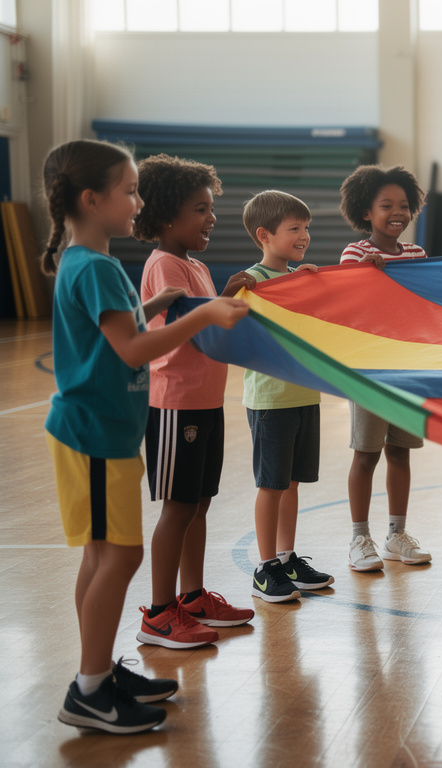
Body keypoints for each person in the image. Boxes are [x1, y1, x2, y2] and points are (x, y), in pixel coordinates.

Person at [42, 139, 247, 733]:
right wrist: (202, 314)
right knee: (121, 555)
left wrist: (157, 302)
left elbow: (117, 331)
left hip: (97, 433)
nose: (138, 203)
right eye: (129, 192)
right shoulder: (97, 267)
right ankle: (89, 690)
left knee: (100, 555)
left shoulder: (87, 263)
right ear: (91, 199)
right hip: (94, 435)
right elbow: (132, 349)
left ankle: (99, 672)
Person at [133, 154, 257, 650]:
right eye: (200, 210)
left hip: (205, 401)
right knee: (179, 506)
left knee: (199, 503)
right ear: (167, 216)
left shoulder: (195, 265)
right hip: (175, 403)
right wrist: (217, 308)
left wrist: (227, 293)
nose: (211, 218)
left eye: (211, 208)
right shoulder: (164, 264)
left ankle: (193, 596)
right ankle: (160, 613)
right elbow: (175, 330)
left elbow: (202, 318)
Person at [337, 165, 432, 572]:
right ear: (366, 212)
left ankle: (397, 534)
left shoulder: (416, 255)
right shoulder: (356, 254)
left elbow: (425, 304)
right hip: (369, 371)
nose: (397, 213)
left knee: (401, 453)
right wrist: (368, 275)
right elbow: (348, 301)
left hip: (407, 371)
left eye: (404, 206)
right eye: (386, 206)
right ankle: (359, 538)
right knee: (366, 455)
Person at [241, 190, 333, 601]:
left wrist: (309, 286)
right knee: (272, 484)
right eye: (294, 228)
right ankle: (266, 568)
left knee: (292, 483)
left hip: (304, 396)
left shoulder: (298, 277)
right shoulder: (252, 282)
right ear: (264, 235)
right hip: (271, 400)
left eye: (306, 228)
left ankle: (286, 557)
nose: (304, 235)